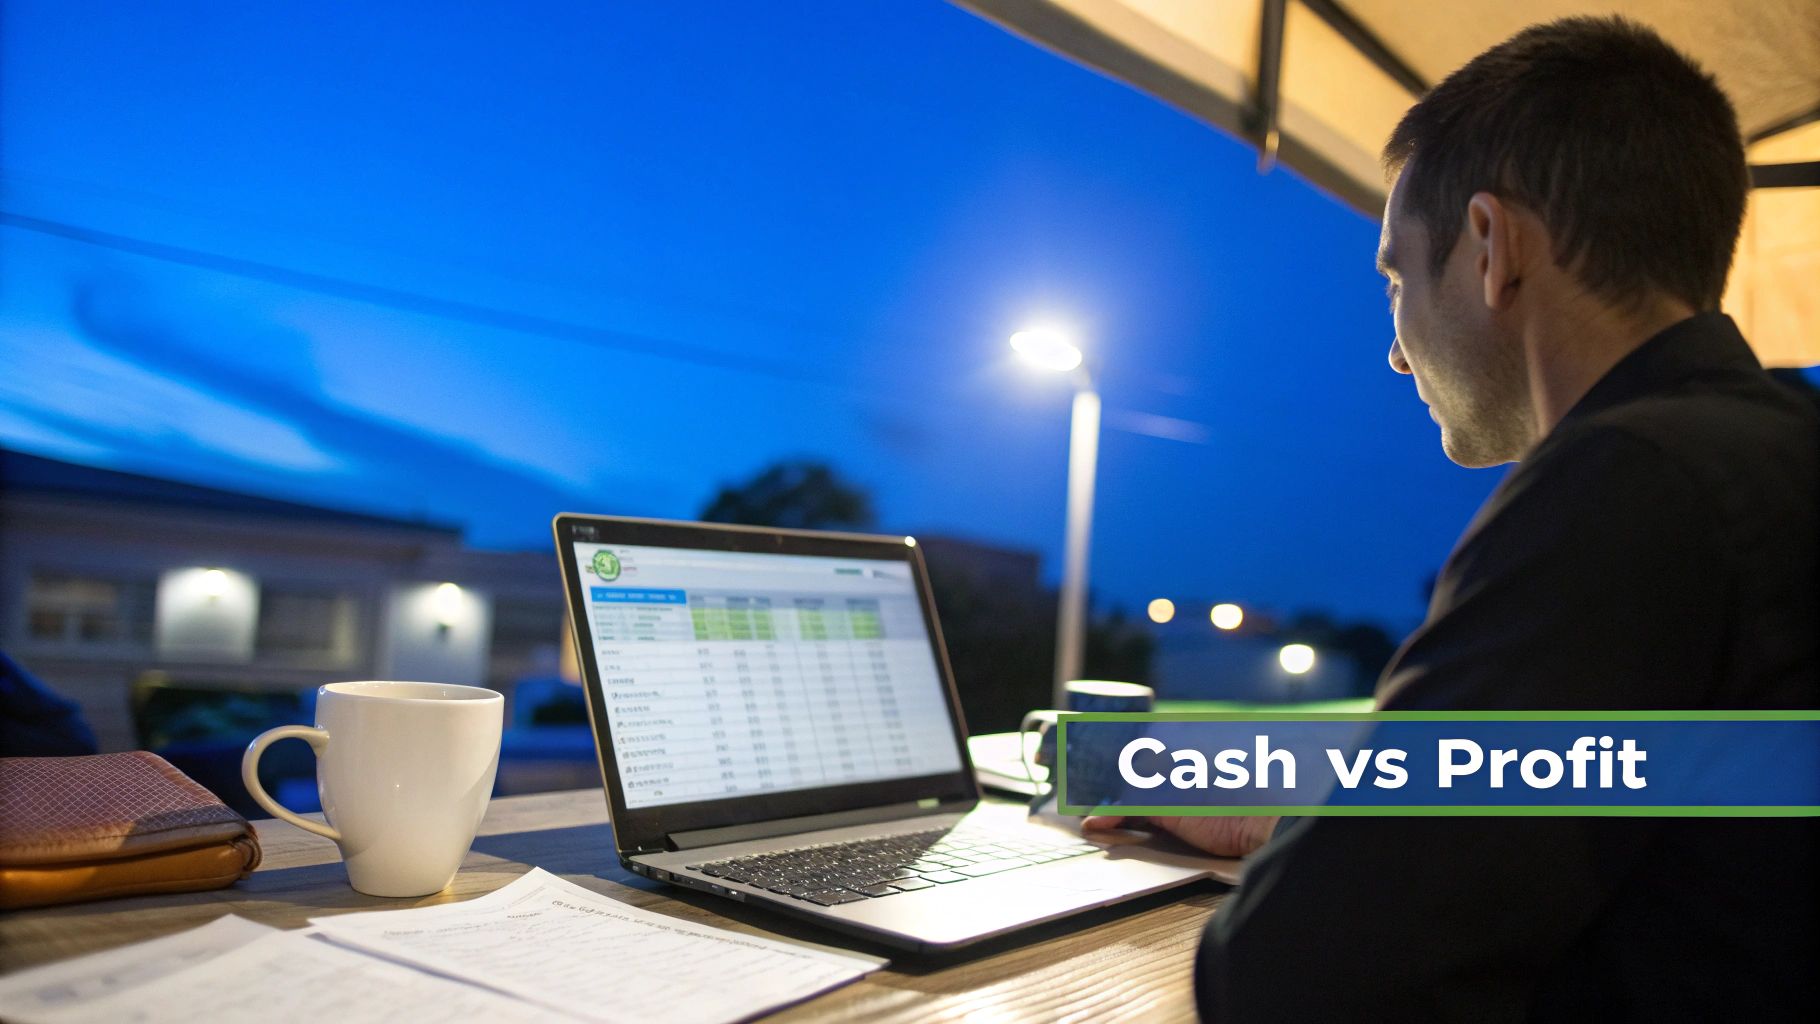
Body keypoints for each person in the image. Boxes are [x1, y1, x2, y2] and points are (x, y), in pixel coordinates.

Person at [1086, 16, 1819, 1020]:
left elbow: (1292, 977)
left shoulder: (1628, 483)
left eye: (1395, 276)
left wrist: (1336, 852)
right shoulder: (1774, 453)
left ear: (1489, 245)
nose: (1395, 351)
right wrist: (1321, 820)